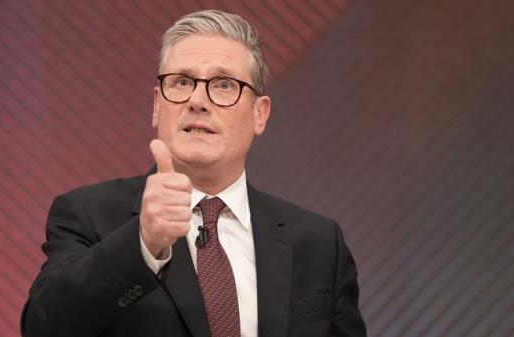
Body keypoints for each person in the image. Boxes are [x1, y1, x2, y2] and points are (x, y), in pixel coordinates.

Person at [21, 9, 366, 337]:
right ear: (158, 105)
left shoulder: (319, 244)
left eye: (224, 85)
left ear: (260, 115)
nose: (198, 101)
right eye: (183, 82)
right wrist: (142, 243)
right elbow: (43, 327)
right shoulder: (89, 215)